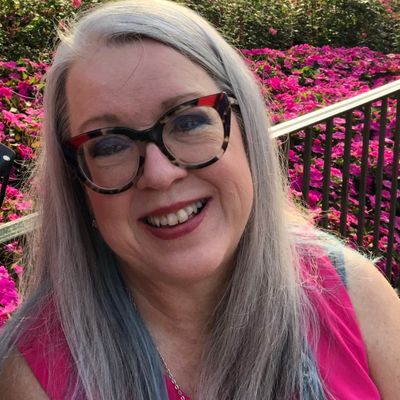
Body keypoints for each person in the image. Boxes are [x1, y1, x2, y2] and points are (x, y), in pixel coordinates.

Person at [1, 1, 400, 399]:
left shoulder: (354, 295)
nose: (160, 174)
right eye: (109, 146)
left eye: (188, 121)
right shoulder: (31, 378)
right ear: (79, 185)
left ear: (247, 131)